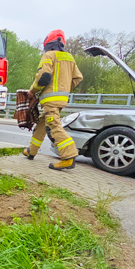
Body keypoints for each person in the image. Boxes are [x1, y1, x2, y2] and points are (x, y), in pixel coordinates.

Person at [22, 30, 83, 170]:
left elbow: (43, 77)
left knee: (54, 126)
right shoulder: (69, 58)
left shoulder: (48, 55)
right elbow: (78, 78)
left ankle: (68, 156)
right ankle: (31, 151)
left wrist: (32, 91)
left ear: (48, 43)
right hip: (62, 99)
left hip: (50, 99)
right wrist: (64, 88)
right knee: (42, 124)